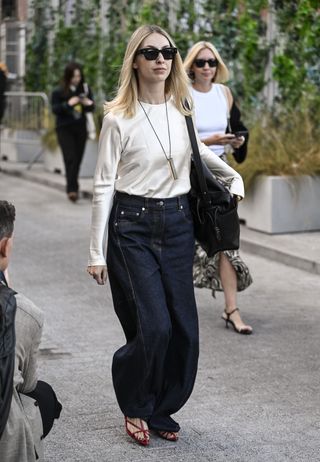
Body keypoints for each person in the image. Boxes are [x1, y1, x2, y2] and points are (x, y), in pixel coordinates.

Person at [87, 24, 244, 446]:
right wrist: (95, 252)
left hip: (177, 224)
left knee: (184, 329)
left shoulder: (182, 107)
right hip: (131, 225)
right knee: (153, 326)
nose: (162, 59)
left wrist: (233, 176)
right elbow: (103, 185)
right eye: (151, 52)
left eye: (168, 52)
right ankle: (136, 402)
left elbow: (200, 153)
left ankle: (161, 406)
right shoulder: (118, 118)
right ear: (135, 61)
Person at [184, 41, 253, 335]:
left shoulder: (224, 93)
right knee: (182, 244)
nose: (207, 68)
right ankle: (177, 310)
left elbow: (239, 127)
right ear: (191, 66)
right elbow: (178, 137)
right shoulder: (182, 95)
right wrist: (209, 142)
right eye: (201, 63)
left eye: (212, 62)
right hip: (188, 176)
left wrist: (237, 141)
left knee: (226, 245)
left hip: (220, 178)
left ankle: (231, 309)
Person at [0, 201, 62, 461]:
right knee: (44, 396)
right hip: (5, 437)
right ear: (5, 246)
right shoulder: (24, 313)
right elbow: (27, 383)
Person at [51, 62, 95, 202]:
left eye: (79, 76)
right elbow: (55, 109)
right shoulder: (59, 91)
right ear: (68, 76)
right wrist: (68, 104)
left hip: (80, 128)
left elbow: (91, 108)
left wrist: (88, 103)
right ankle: (72, 189)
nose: (77, 79)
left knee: (78, 159)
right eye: (74, 76)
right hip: (64, 128)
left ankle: (73, 186)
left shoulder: (85, 90)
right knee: (70, 158)